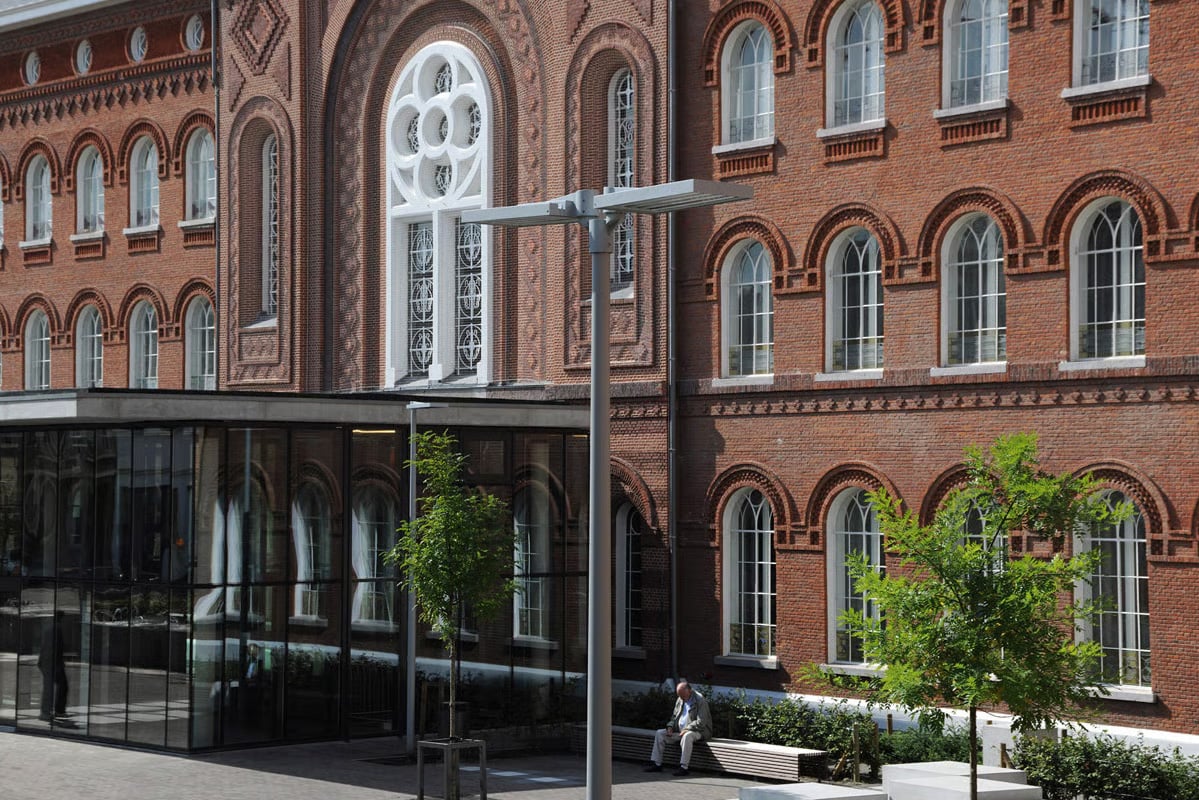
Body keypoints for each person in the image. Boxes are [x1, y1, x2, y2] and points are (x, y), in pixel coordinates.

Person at [645, 680, 712, 777]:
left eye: (683, 696)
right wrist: (670, 726)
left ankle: (684, 767)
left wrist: (687, 729)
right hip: (679, 730)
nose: (681, 698)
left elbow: (701, 722)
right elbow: (674, 716)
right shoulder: (680, 699)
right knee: (660, 733)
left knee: (687, 736)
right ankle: (657, 764)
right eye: (679, 696)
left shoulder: (700, 700)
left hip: (699, 731)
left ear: (689, 691)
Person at [37, 611, 69, 723]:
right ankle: (52, 711)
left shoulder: (48, 628)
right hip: (52, 662)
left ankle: (48, 712)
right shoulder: (57, 628)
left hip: (47, 662)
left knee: (51, 687)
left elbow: (44, 645)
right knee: (60, 686)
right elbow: (57, 648)